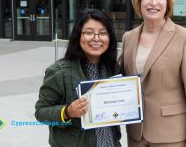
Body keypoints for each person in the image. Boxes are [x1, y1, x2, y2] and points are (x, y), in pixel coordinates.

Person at [119, 0, 186, 147]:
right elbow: (119, 80)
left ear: (168, 2)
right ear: (138, 1)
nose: (154, 3)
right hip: (136, 134)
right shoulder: (129, 37)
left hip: (171, 136)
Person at [35, 9, 121, 147]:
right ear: (78, 36)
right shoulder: (60, 72)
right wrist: (68, 112)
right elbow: (40, 113)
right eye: (89, 32)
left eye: (103, 33)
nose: (96, 38)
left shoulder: (114, 69)